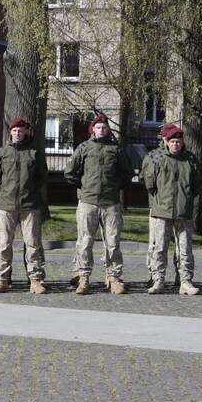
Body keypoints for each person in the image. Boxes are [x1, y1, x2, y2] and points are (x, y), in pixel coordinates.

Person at [64, 113, 134, 295]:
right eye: (98, 127)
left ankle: (114, 278)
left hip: (111, 203)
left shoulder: (116, 149)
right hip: (88, 202)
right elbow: (70, 172)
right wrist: (84, 187)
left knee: (113, 243)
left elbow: (127, 173)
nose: (101, 130)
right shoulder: (84, 148)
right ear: (92, 129)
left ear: (108, 129)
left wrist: (116, 187)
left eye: (104, 127)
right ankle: (83, 277)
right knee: (85, 242)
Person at [0, 118, 49, 294]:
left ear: (25, 132)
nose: (17, 133)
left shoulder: (35, 153)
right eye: (14, 131)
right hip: (7, 205)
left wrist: (31, 191)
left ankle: (35, 280)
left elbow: (42, 176)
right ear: (10, 132)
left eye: (20, 131)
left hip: (30, 206)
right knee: (4, 244)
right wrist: (4, 188)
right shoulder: (2, 152)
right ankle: (2, 279)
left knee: (33, 244)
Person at [141, 123, 201, 295]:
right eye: (173, 141)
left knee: (185, 249)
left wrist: (187, 198)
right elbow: (148, 183)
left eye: (179, 141)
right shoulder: (157, 157)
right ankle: (158, 280)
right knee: (159, 247)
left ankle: (185, 281)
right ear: (166, 141)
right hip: (161, 210)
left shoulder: (190, 159)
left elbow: (197, 184)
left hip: (184, 211)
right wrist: (159, 200)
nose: (176, 144)